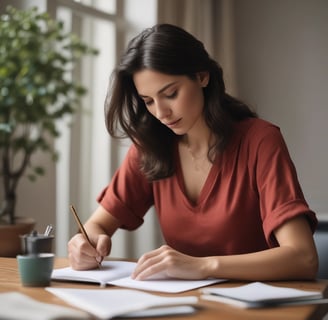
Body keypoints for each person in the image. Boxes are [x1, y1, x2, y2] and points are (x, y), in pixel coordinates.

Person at [68, 23, 318, 281]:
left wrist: (203, 266)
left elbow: (303, 257)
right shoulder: (151, 148)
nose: (161, 113)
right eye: (148, 101)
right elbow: (96, 225)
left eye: (171, 94)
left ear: (202, 76)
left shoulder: (260, 141)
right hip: (188, 307)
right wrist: (84, 243)